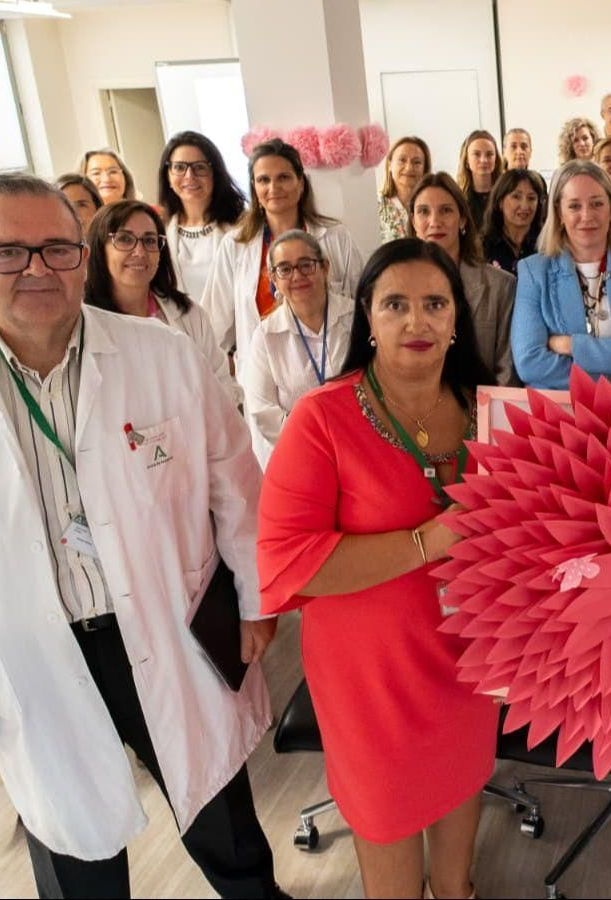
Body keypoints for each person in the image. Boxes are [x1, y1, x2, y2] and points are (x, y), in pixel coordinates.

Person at [0, 173, 281, 899]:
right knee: (68, 835)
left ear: (82, 258)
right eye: (7, 254)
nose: (37, 271)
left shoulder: (162, 353)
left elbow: (233, 484)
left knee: (221, 809)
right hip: (28, 647)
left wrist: (254, 599)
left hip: (168, 620)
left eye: (57, 249)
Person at [256, 238, 498, 900]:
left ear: (456, 320)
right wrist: (428, 541)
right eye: (395, 304)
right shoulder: (321, 418)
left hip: (470, 658)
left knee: (461, 797)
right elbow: (289, 566)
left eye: (433, 304)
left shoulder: (493, 413)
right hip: (373, 675)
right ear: (367, 317)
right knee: (387, 827)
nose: (415, 322)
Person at [202, 138, 364, 379]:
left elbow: (362, 305)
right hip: (266, 380)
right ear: (254, 189)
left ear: (301, 183)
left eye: (284, 177)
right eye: (263, 180)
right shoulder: (235, 245)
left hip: (333, 371)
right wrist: (229, 371)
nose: (273, 187)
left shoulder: (335, 238)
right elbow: (212, 324)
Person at [510, 160, 611, 389]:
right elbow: (530, 363)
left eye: (597, 204)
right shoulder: (533, 272)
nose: (586, 215)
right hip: (555, 417)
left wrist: (572, 346)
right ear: (559, 214)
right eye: (574, 206)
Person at [82, 199, 239, 407]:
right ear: (99, 248)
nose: (139, 252)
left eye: (149, 240)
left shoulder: (188, 313)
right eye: (124, 239)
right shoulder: (82, 324)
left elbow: (222, 389)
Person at [241, 229, 355, 464]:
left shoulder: (358, 318)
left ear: (324, 267)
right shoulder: (265, 336)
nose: (297, 276)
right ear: (273, 278)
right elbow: (263, 410)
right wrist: (314, 441)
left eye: (306, 265)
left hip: (358, 445)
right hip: (301, 455)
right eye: (285, 269)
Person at [407, 173, 517, 387]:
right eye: (423, 212)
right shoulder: (399, 287)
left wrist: (486, 415)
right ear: (413, 222)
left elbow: (507, 367)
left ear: (463, 219)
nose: (434, 221)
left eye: (446, 210)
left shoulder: (501, 285)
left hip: (484, 408)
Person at [157, 131, 248, 308]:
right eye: (179, 167)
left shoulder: (243, 227)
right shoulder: (159, 230)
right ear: (167, 175)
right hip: (180, 333)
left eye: (199, 167)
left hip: (236, 334)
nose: (189, 176)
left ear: (215, 173)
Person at [481, 168, 547, 276]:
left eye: (531, 198)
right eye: (516, 197)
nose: (525, 206)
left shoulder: (547, 244)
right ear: (500, 202)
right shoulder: (483, 247)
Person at [378, 136, 431, 244]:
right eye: (402, 160)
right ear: (389, 165)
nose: (409, 168)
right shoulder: (375, 207)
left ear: (425, 169)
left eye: (417, 162)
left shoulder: (433, 206)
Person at [456, 129, 505, 229]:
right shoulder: (457, 198)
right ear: (466, 160)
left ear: (496, 159)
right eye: (477, 154)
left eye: (489, 154)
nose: (483, 160)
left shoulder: (506, 194)